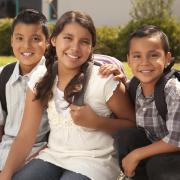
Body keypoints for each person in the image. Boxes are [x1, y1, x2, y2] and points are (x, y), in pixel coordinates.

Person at [0, 10, 135, 180]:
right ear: (54, 40)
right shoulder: (41, 77)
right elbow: (25, 136)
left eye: (84, 42)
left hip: (95, 161)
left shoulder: (103, 80)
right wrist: (6, 174)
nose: (75, 47)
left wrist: (97, 122)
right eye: (68, 38)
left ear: (92, 47)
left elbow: (133, 125)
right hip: (54, 156)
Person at [114, 25, 180, 180]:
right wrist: (117, 77)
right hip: (157, 149)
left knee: (158, 166)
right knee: (125, 137)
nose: (145, 62)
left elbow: (177, 140)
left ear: (167, 58)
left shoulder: (173, 90)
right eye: (137, 56)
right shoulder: (135, 85)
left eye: (153, 55)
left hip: (175, 151)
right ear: (129, 60)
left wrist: (136, 155)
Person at [0, 9, 50, 171]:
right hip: (5, 151)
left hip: (39, 154)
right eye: (19, 38)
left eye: (35, 39)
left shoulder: (54, 76)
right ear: (12, 41)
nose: (26, 45)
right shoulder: (4, 75)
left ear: (48, 42)